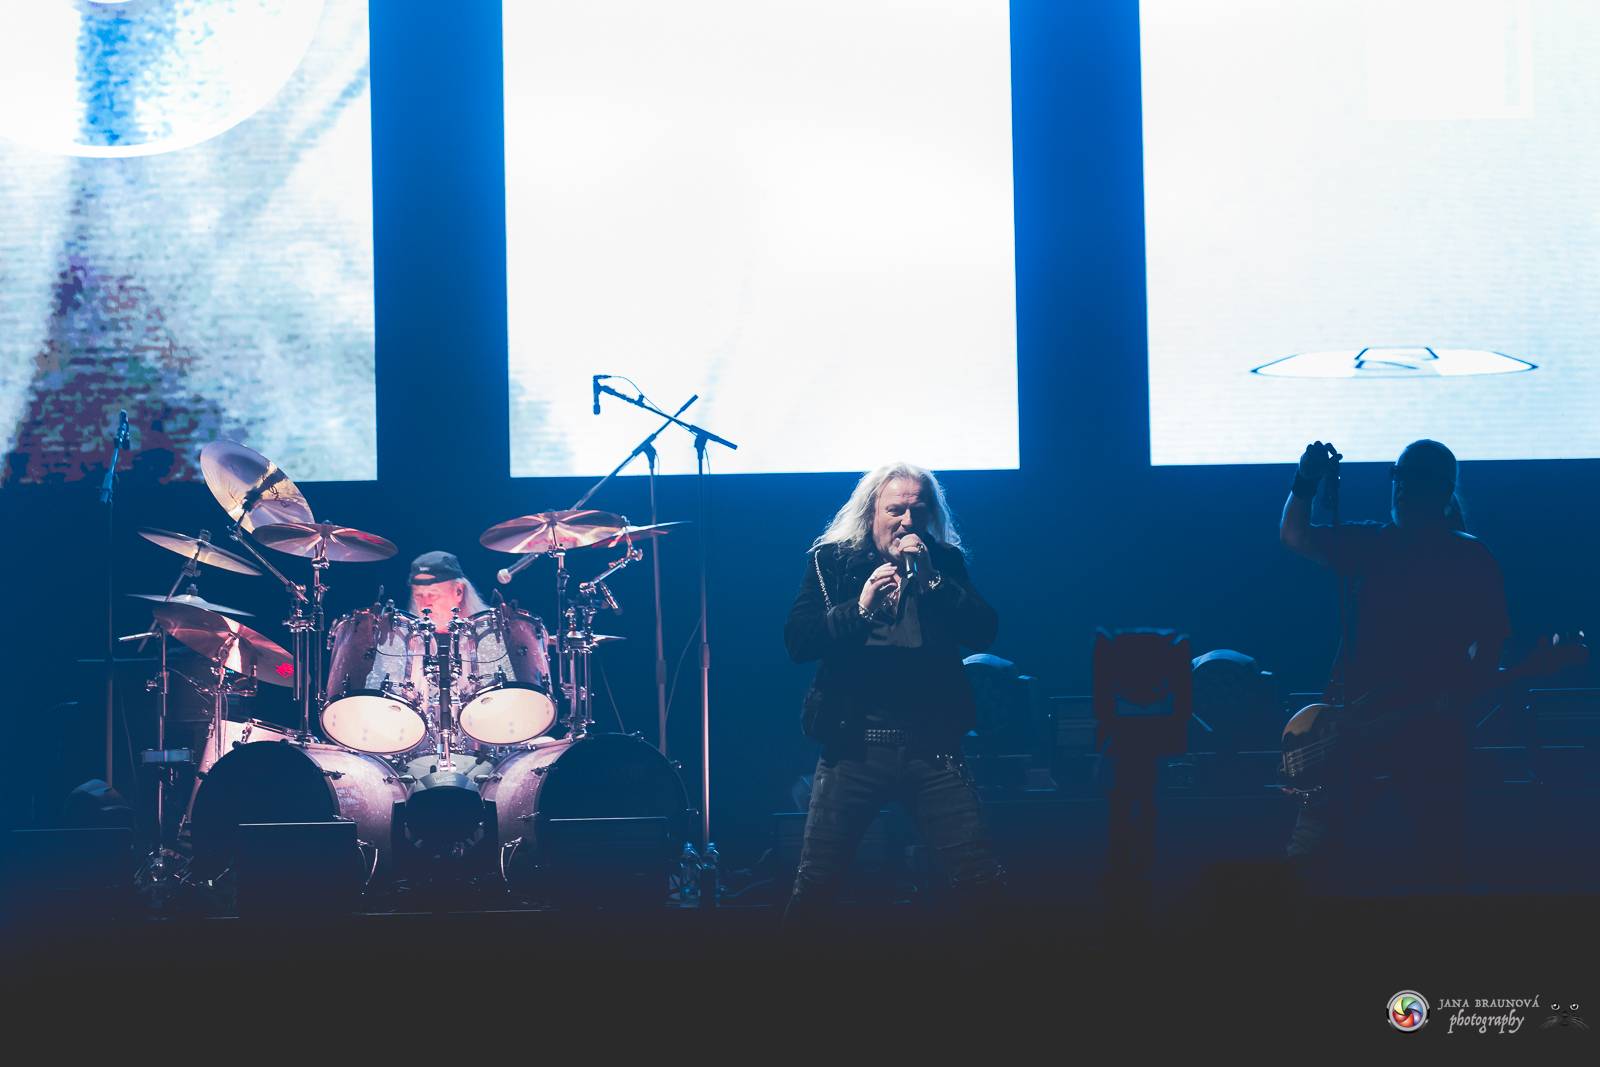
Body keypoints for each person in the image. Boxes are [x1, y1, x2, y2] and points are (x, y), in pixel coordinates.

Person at [782, 462, 1005, 937]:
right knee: (817, 884)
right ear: (871, 513)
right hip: (854, 747)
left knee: (979, 881)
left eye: (917, 511)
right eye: (895, 510)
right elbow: (799, 641)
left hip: (932, 747)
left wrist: (933, 582)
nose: (907, 522)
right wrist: (859, 608)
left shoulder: (943, 562)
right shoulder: (832, 562)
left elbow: (984, 629)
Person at [1279, 439, 1509, 893]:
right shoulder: (1372, 543)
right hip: (1353, 727)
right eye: (1397, 476)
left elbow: (1490, 646)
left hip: (1427, 735)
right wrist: (1305, 480)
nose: (1401, 487)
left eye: (1414, 478)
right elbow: (1295, 535)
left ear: (1443, 490)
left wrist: (1462, 698)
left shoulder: (1469, 558)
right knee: (1313, 856)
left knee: (1433, 858)